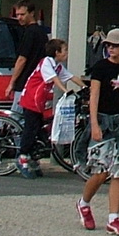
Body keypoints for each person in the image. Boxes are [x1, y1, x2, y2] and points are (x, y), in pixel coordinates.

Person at [78, 28, 119, 235]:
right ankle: (84, 203)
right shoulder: (100, 68)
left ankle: (114, 218)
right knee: (101, 170)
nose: (111, 48)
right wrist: (94, 124)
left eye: (115, 45)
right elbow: (93, 97)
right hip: (102, 120)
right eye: (108, 45)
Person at [16, 38, 74, 178]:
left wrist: (85, 87)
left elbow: (71, 77)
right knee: (31, 129)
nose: (67, 53)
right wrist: (65, 91)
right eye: (64, 50)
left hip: (39, 102)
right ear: (56, 52)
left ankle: (33, 157)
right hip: (31, 99)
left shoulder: (58, 66)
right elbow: (55, 79)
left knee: (41, 131)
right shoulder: (46, 62)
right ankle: (22, 157)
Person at [6, 0, 51, 114]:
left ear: (31, 13)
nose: (19, 18)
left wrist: (12, 83)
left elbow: (22, 59)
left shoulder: (29, 33)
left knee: (16, 117)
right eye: (17, 15)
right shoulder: (42, 34)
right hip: (37, 82)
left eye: (22, 14)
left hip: (25, 82)